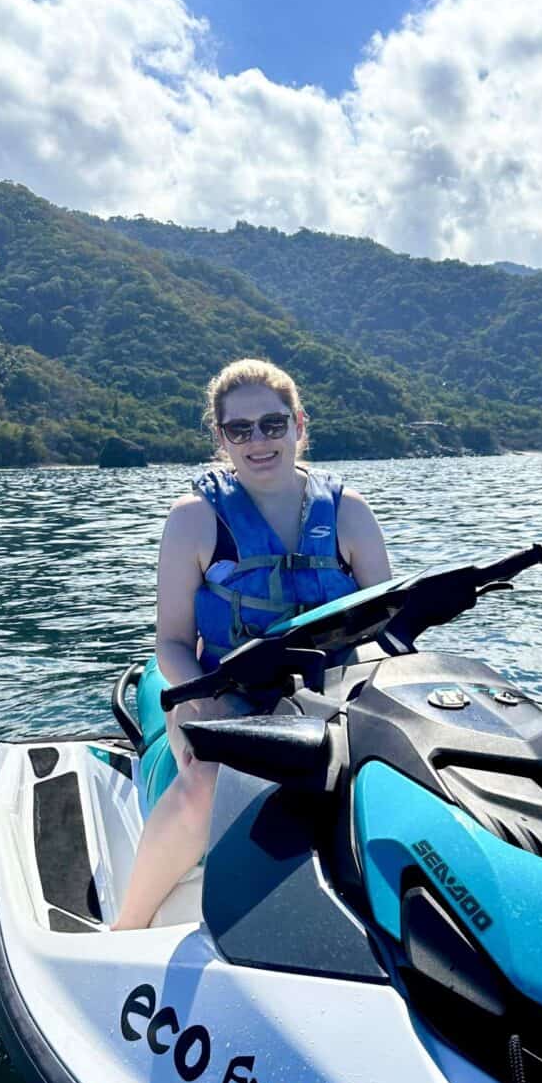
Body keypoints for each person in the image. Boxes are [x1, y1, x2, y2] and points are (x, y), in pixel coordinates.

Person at [112, 358, 391, 930]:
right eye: (240, 430)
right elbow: (170, 640)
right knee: (206, 783)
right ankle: (127, 926)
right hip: (226, 693)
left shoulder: (350, 514)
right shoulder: (194, 521)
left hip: (329, 696)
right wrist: (198, 702)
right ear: (221, 438)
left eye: (272, 423)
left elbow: (383, 629)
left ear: (299, 424)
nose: (258, 441)